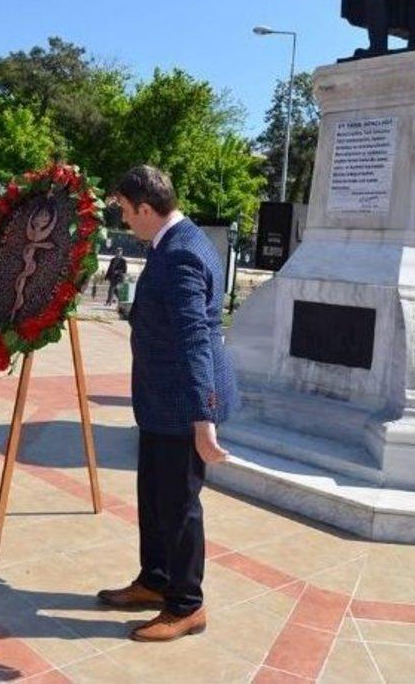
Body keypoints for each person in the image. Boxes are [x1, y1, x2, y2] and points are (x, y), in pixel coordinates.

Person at [97, 165, 239, 642]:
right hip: (161, 403)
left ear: (144, 207)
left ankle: (186, 605)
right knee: (155, 499)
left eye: (124, 210)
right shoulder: (174, 242)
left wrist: (204, 417)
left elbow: (196, 339)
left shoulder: (180, 253)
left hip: (181, 404)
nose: (123, 219)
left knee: (178, 506)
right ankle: (155, 580)